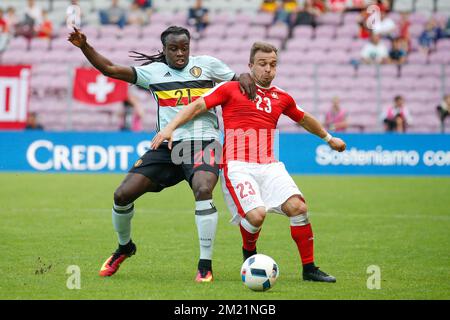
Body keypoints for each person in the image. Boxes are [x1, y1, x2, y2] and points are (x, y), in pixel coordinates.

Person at [68, 25, 255, 282]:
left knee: (203, 189)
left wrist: (244, 75)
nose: (180, 53)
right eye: (174, 49)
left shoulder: (208, 65)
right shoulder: (152, 73)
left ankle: (205, 264)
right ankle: (124, 247)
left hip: (204, 143)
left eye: (185, 48)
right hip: (167, 146)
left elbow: (238, 81)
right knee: (122, 195)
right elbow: (109, 69)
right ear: (164, 49)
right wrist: (85, 46)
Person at [151, 42, 347, 283]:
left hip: (270, 165)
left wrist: (329, 138)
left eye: (273, 64)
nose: (268, 69)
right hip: (237, 166)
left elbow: (304, 118)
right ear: (250, 65)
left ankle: (309, 269)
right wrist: (170, 127)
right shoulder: (231, 89)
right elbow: (197, 105)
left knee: (299, 208)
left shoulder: (281, 97)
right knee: (256, 216)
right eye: (262, 64)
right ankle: (249, 253)